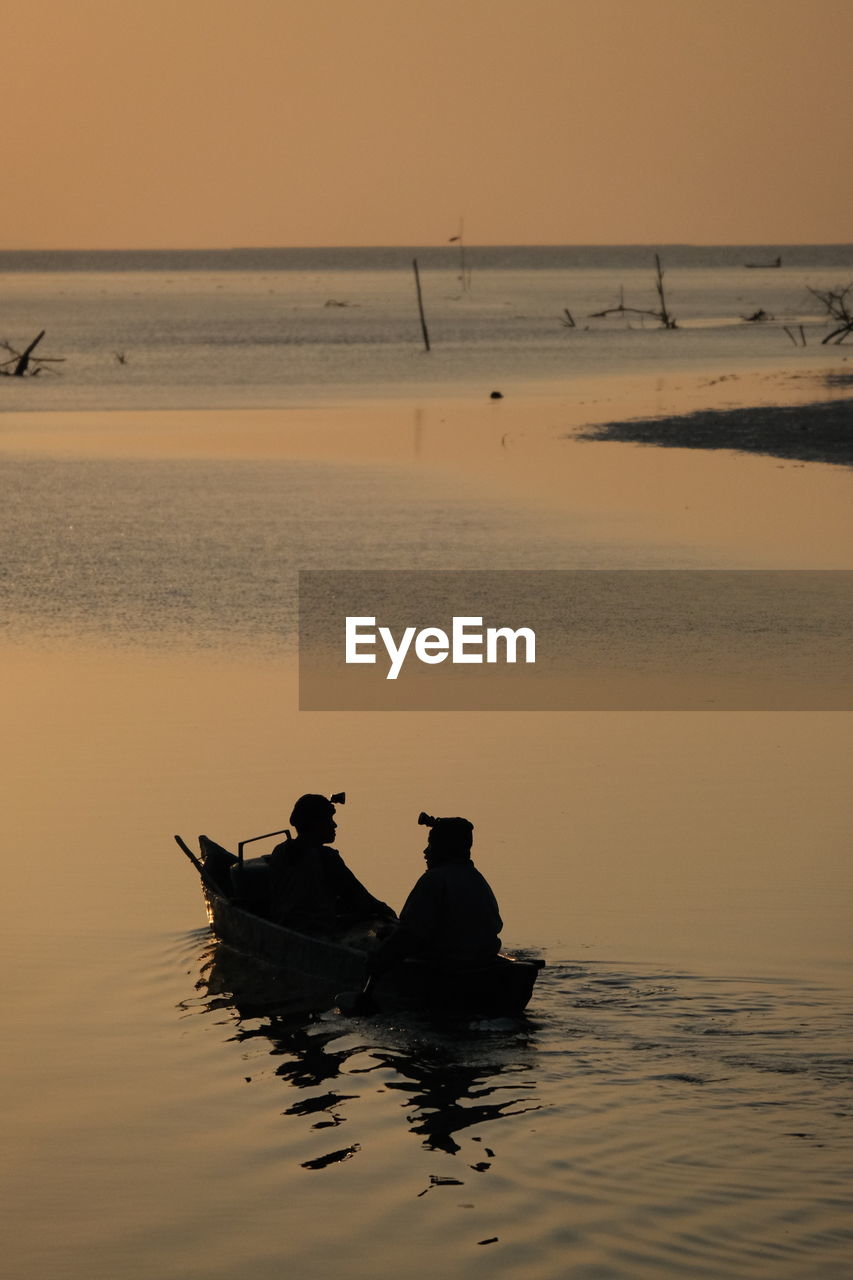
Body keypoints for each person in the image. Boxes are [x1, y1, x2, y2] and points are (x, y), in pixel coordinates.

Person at [372, 814, 502, 975]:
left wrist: (378, 959)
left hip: (449, 966)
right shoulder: (476, 878)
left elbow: (409, 934)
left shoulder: (434, 880)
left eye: (431, 845)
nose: (425, 852)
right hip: (481, 961)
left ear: (445, 849)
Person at [267, 793, 396, 937]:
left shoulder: (279, 851)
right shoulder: (326, 857)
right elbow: (359, 897)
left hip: (284, 929)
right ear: (315, 824)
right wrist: (387, 911)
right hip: (315, 934)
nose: (334, 825)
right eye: (329, 819)